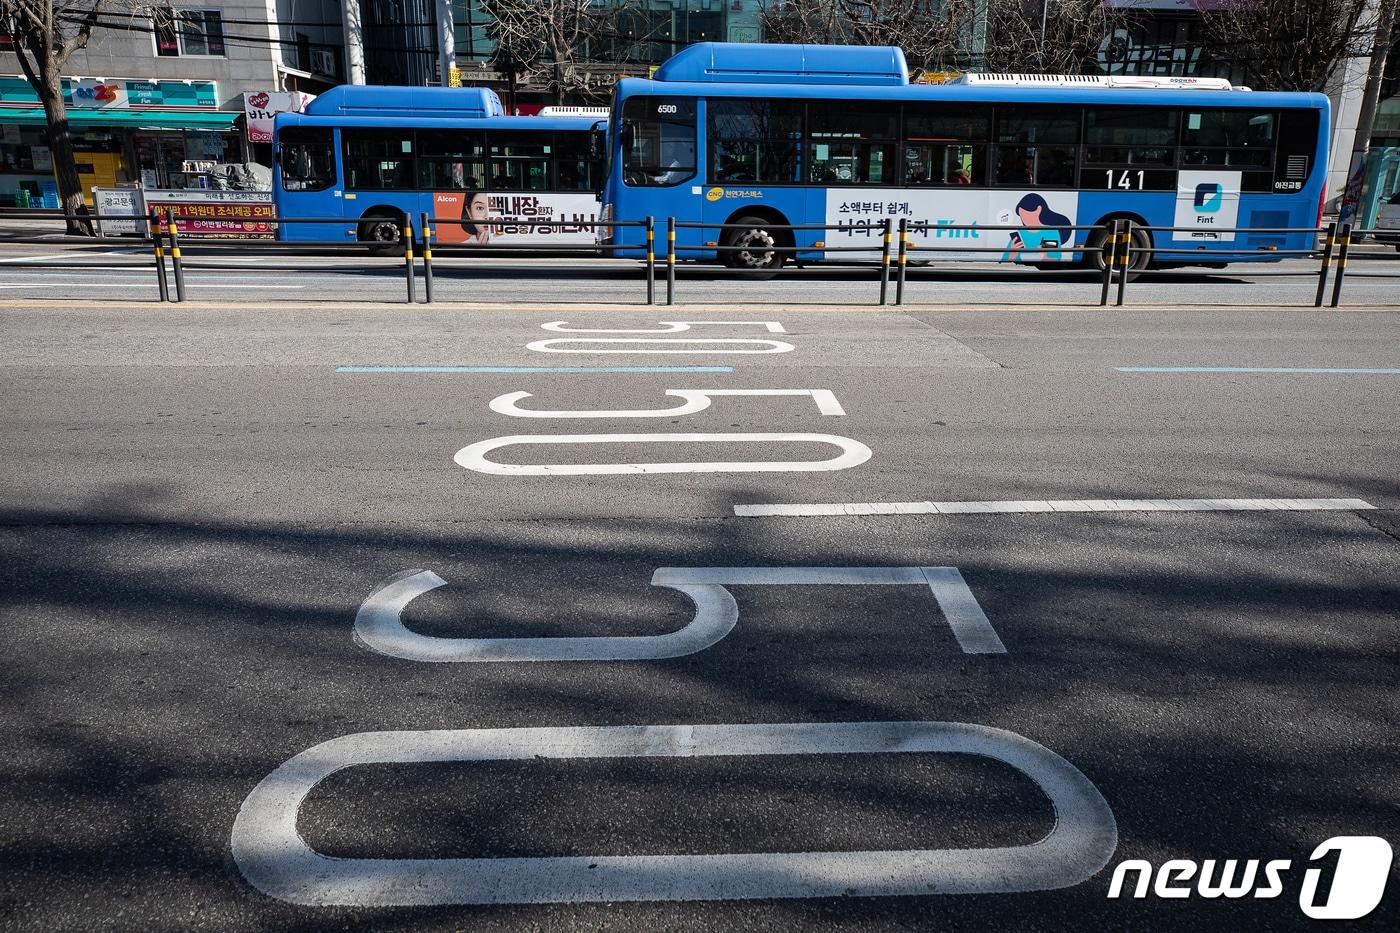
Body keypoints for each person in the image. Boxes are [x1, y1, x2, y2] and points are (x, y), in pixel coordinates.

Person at [1001, 192, 1074, 263]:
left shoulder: (1051, 232)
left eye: (1027, 216)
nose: (1024, 221)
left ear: (1039, 209)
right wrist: (1012, 254)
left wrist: (1043, 256)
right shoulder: (1020, 234)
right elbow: (1004, 261)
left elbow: (1054, 258)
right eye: (1022, 217)